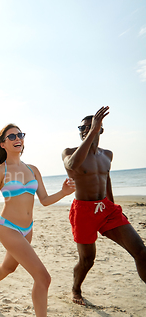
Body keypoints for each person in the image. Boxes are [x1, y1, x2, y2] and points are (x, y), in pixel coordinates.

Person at [0, 124, 75, 317]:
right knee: (43, 278)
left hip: (28, 229)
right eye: (12, 136)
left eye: (20, 134)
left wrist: (64, 192)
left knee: (9, 267)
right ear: (3, 144)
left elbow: (45, 201)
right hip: (7, 227)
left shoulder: (33, 169)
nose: (18, 138)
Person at [62, 106, 146, 305]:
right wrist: (92, 132)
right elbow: (73, 166)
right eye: (82, 128)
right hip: (83, 211)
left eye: (90, 127)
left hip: (107, 209)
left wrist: (113, 207)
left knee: (141, 252)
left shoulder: (107, 154)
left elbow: (106, 179)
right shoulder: (70, 152)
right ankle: (76, 288)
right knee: (87, 260)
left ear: (101, 129)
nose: (85, 130)